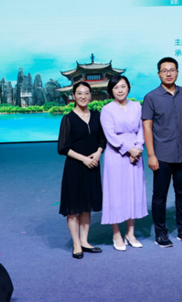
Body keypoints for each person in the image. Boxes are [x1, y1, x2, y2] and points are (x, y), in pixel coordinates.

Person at [142, 57, 182, 248]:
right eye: (164, 70)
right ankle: (161, 234)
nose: (169, 73)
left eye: (172, 70)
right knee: (160, 195)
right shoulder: (151, 97)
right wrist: (151, 154)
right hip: (162, 155)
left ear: (177, 72)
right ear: (159, 74)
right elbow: (147, 127)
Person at [57, 81, 105, 259]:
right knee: (73, 207)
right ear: (73, 96)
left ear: (91, 96)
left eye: (86, 93)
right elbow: (63, 147)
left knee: (86, 206)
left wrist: (98, 153)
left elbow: (102, 140)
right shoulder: (68, 119)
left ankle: (84, 241)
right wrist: (84, 159)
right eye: (79, 93)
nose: (83, 96)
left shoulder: (97, 115)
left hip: (93, 166)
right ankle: (76, 244)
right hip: (75, 167)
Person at [100, 75, 148, 251]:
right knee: (116, 192)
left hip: (136, 152)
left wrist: (138, 148)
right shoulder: (107, 109)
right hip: (116, 153)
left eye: (123, 86)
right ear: (111, 91)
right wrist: (129, 149)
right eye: (116, 87)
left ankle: (130, 233)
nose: (120, 90)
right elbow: (110, 135)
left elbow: (142, 129)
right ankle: (116, 234)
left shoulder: (137, 106)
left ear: (128, 87)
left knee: (133, 191)